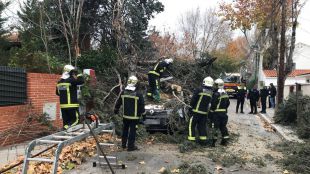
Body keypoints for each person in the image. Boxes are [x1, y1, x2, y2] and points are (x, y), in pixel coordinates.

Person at [114, 75, 145, 151]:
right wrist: (144, 115)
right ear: (136, 83)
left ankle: (123, 145)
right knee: (132, 131)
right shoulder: (138, 94)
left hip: (125, 116)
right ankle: (131, 147)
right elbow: (142, 106)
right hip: (134, 117)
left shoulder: (123, 92)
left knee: (125, 130)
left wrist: (116, 109)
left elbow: (119, 102)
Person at [56, 65, 84, 130]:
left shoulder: (59, 82)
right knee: (75, 120)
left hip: (63, 106)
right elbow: (81, 81)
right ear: (70, 72)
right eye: (73, 72)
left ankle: (65, 128)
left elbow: (57, 93)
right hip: (72, 105)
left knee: (66, 121)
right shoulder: (71, 80)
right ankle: (66, 127)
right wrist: (78, 73)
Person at [188, 76, 214, 145]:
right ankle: (203, 141)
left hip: (196, 111)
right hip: (204, 113)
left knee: (191, 125)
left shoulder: (199, 89)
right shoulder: (211, 92)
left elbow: (193, 99)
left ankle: (191, 140)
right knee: (202, 126)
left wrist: (190, 108)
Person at [209, 78, 230, 146]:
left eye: (215, 85)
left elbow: (213, 104)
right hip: (224, 114)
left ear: (218, 85)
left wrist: (211, 112)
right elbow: (228, 103)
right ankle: (224, 141)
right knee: (223, 127)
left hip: (216, 114)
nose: (214, 86)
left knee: (214, 127)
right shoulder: (225, 93)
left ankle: (213, 143)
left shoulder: (216, 94)